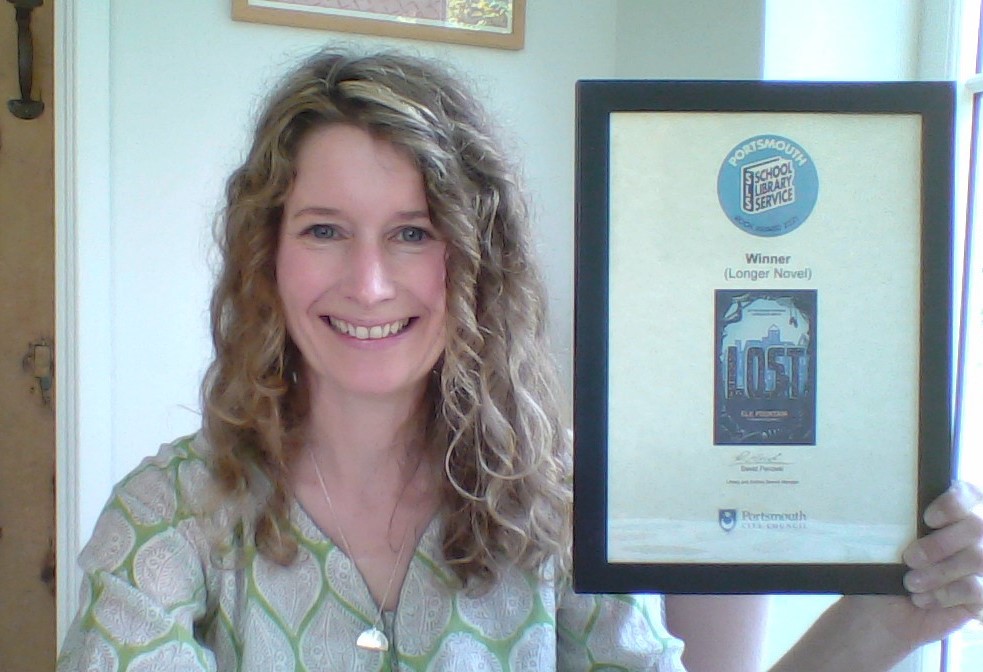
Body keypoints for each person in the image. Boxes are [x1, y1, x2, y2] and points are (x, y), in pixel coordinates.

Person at [57, 49, 983, 672]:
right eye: (324, 230)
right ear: (268, 254)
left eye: (413, 232)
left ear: (477, 259)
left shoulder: (562, 508)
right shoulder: (166, 521)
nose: (369, 284)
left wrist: (887, 619)